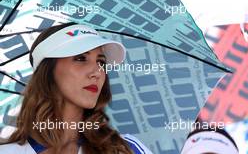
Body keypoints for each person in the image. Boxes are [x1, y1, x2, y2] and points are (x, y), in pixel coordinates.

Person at [0, 23, 153, 154]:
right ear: (48, 71)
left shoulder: (126, 148)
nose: (97, 72)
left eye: (101, 62)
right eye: (81, 58)